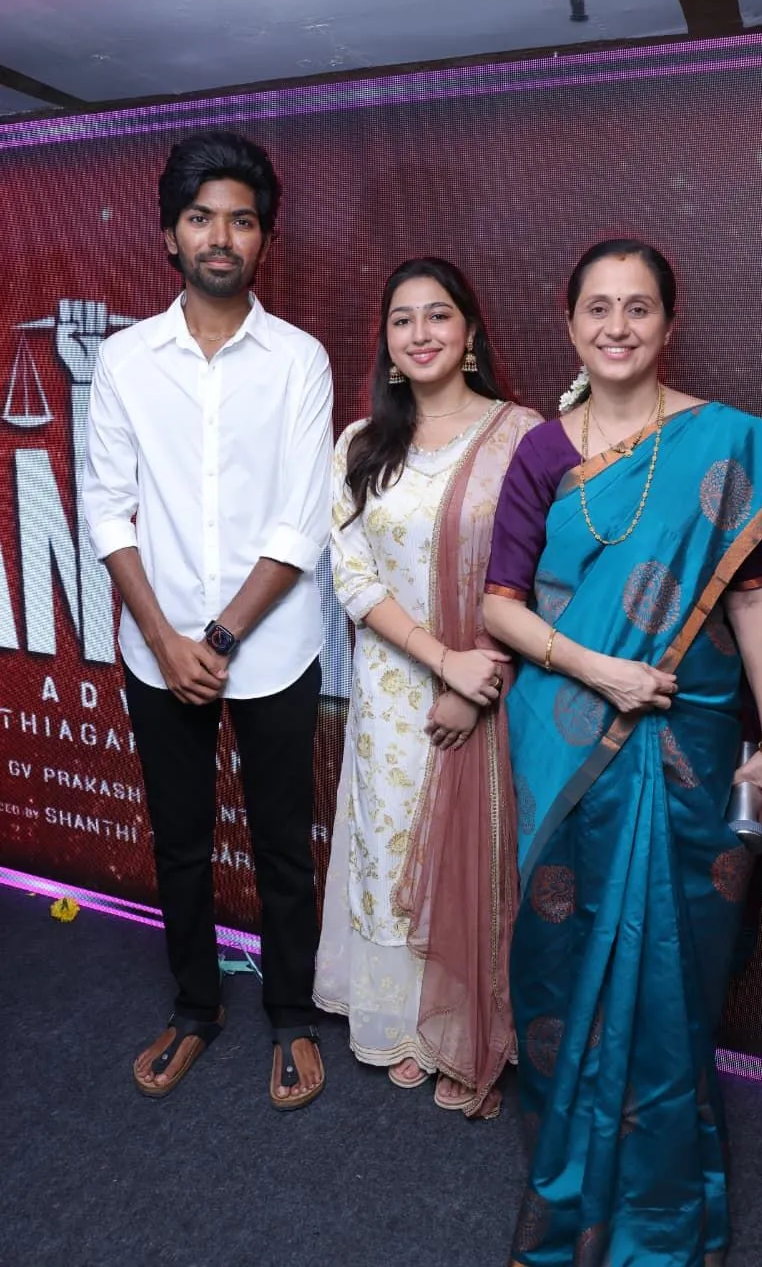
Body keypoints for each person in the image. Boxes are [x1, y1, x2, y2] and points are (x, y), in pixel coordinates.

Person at [482, 240, 762, 1263]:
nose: (617, 326)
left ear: (668, 323)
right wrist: (603, 672)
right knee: (568, 949)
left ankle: (662, 1199)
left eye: (638, 307)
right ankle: (575, 1169)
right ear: (569, 322)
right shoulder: (542, 452)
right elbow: (499, 607)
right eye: (597, 307)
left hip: (691, 740)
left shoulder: (721, 446)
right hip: (569, 736)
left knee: (676, 965)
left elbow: (752, 600)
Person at [82, 131, 333, 1109]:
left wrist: (219, 638)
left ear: (263, 238)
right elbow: (107, 509)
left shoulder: (299, 360)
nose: (220, 236)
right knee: (179, 842)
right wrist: (163, 638)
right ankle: (194, 1007)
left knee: (282, 845)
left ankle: (291, 1014)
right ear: (169, 237)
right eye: (200, 218)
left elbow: (299, 519)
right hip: (157, 649)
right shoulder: (125, 359)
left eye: (240, 219)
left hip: (272, 647)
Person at [313, 257, 540, 1118]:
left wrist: (475, 676)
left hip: (492, 685)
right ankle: (405, 1023)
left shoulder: (520, 437)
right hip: (393, 691)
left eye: (437, 315)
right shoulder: (361, 444)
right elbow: (352, 575)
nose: (420, 334)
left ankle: (469, 1027)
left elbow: (538, 574)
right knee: (392, 847)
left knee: (478, 857)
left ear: (470, 330)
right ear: (385, 341)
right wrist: (440, 663)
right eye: (402, 319)